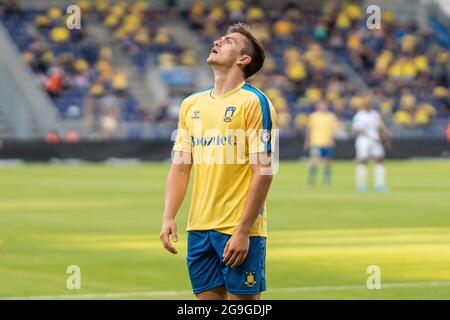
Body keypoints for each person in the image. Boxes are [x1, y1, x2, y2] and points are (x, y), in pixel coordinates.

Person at [160, 23, 277, 300]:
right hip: (199, 228)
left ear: (243, 59)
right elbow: (180, 166)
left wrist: (243, 231)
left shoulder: (255, 102)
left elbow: (264, 171)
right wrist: (168, 216)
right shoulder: (190, 104)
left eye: (229, 41)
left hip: (237, 228)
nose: (218, 41)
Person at [352, 95, 391, 192]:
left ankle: (380, 184)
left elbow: (380, 128)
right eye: (367, 102)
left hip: (376, 141)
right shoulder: (359, 115)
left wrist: (385, 139)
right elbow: (357, 130)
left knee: (379, 160)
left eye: (370, 102)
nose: (369, 103)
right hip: (364, 140)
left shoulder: (375, 114)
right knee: (362, 161)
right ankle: (361, 185)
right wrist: (370, 136)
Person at [304, 100, 339, 186]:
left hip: (327, 142)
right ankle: (311, 180)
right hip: (316, 142)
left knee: (328, 162)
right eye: (320, 105)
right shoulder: (313, 116)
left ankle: (326, 181)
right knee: (314, 161)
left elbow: (333, 130)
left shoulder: (331, 116)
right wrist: (307, 141)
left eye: (323, 105)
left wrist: (331, 139)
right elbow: (309, 129)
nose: (322, 107)